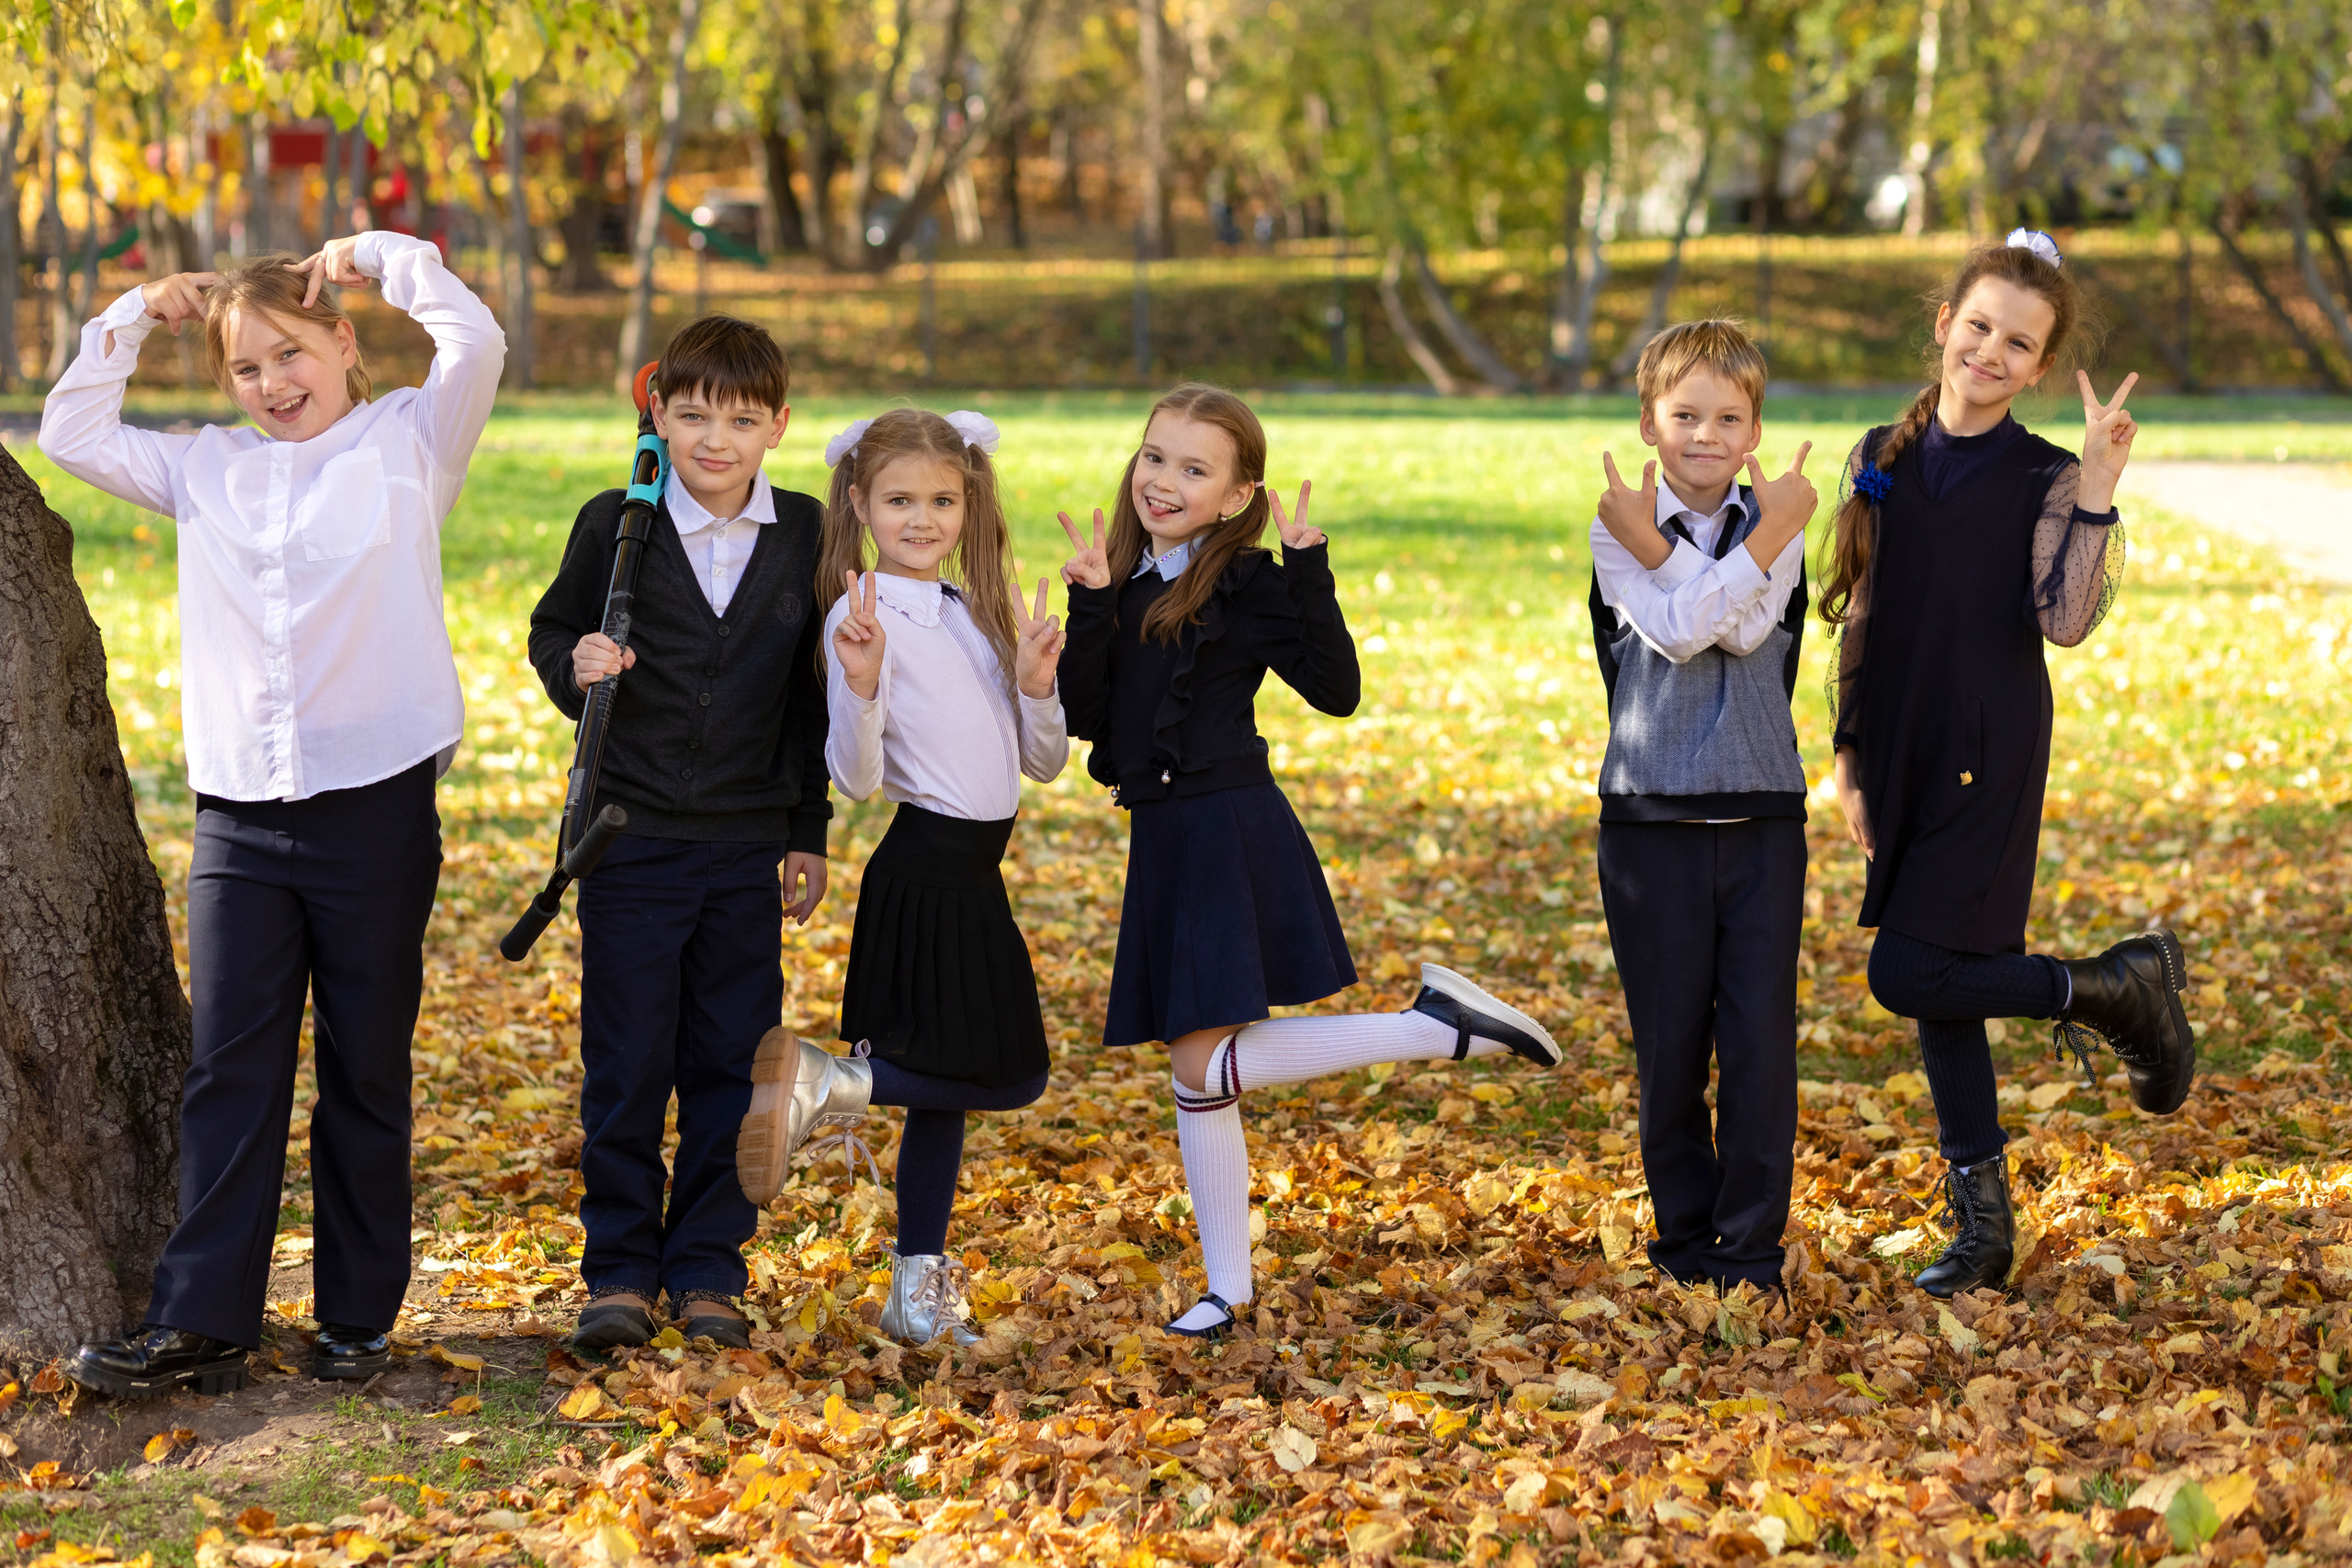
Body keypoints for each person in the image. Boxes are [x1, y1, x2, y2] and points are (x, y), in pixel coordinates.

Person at [41, 232, 504, 1396]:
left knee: (363, 1066)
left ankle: (356, 1315)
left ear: (343, 343)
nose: (275, 384)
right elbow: (68, 434)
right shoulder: (205, 467)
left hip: (376, 806)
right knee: (229, 1068)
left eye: (293, 353)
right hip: (240, 815)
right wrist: (140, 308)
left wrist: (374, 254)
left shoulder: (409, 438)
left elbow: (477, 336)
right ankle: (203, 1319)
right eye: (248, 370)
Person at [1054, 383, 1565, 1339]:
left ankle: (1436, 1029)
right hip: (1163, 835)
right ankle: (1227, 1288)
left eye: (1193, 469)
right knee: (1196, 1068)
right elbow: (1092, 718)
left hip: (1224, 829)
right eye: (1154, 457)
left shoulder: (1241, 584)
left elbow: (1336, 691)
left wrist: (1306, 567)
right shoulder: (1121, 578)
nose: (1163, 481)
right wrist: (1090, 607)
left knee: (1202, 1060)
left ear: (1237, 497)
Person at [1825, 231, 2192, 1299]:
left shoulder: (2044, 474)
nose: (1990, 351)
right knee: (1943, 987)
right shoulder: (1876, 455)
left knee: (1909, 969)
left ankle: (2112, 990)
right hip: (1897, 743)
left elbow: (2065, 619)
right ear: (1945, 323)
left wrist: (2097, 487)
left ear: (2037, 366)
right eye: (1977, 325)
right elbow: (1860, 610)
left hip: (1986, 748)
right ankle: (1984, 1233)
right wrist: (1847, 752)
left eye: (2017, 342)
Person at [526, 315, 831, 1352]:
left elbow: (809, 700)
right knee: (625, 1063)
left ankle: (707, 1268)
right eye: (692, 414)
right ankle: (617, 1267)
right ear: (658, 413)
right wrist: (579, 666)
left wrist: (808, 832)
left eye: (741, 420)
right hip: (632, 839)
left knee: (726, 1063)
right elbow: (552, 630)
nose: (715, 439)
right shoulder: (618, 524)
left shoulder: (806, 535)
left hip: (745, 846)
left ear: (777, 426)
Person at [733, 408, 1068, 1348]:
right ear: (860, 504)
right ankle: (830, 1083)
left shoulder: (970, 609)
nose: (922, 518)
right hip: (923, 870)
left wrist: (1037, 682)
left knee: (953, 1090)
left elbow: (1041, 766)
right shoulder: (861, 614)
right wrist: (865, 678)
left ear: (970, 504)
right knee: (1000, 1075)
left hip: (973, 875)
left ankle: (914, 1296)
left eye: (941, 500)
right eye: (899, 500)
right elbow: (857, 776)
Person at [1585, 320, 1819, 1293]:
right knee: (1670, 1046)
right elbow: (1683, 634)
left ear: (1753, 428)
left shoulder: (1782, 524)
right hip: (1651, 822)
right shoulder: (1613, 527)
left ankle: (1750, 1252)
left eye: (1727, 417)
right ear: (1649, 422)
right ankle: (1684, 1246)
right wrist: (1677, 540)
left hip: (1763, 816)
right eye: (1684, 414)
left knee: (1759, 1045)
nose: (1704, 435)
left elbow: (1746, 626)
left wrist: (1764, 534)